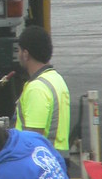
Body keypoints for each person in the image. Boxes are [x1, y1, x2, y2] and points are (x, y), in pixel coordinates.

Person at [14, 25, 71, 165]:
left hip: (41, 164)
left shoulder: (37, 88)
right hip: (57, 160)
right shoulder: (56, 79)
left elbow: (33, 137)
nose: (18, 55)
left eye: (19, 50)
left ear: (26, 54)